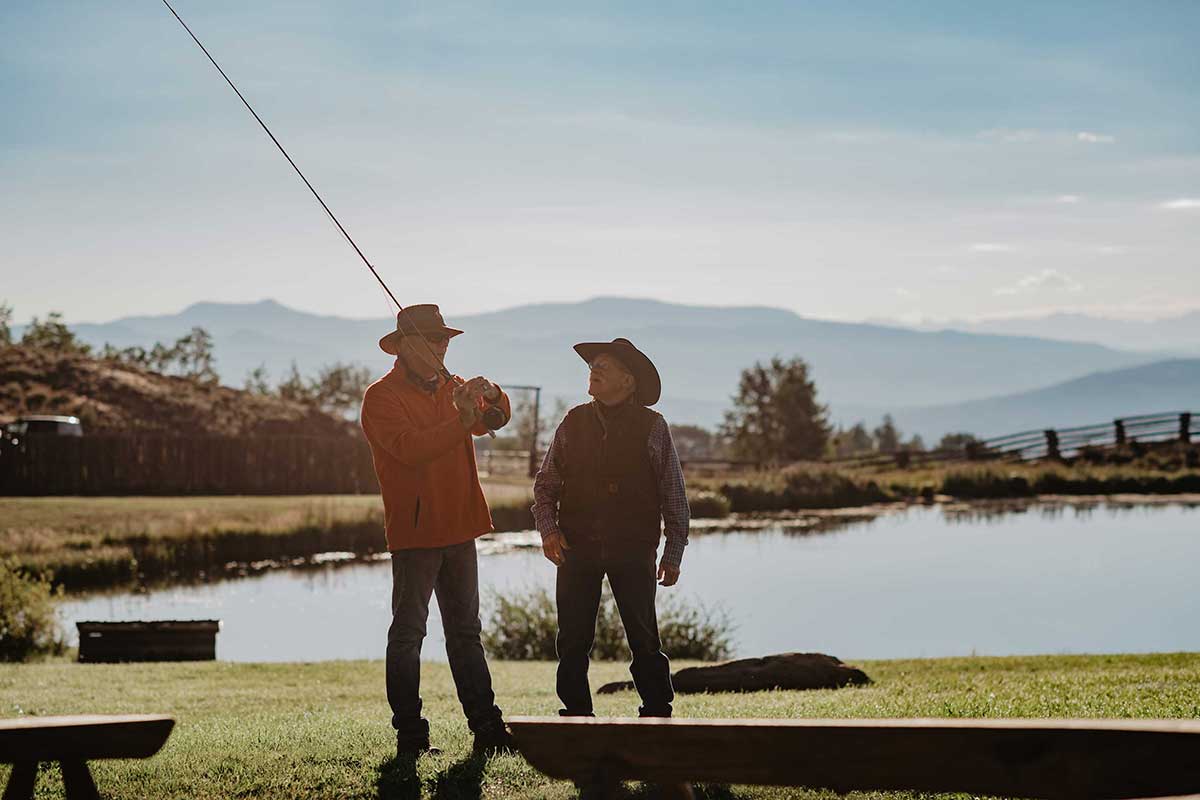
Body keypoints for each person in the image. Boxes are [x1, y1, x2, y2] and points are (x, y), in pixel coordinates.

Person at [360, 304, 514, 757]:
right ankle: (411, 737)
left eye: (445, 339)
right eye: (433, 339)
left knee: (466, 633)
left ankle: (488, 731)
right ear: (405, 346)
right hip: (415, 534)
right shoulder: (381, 397)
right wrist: (461, 419)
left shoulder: (453, 386)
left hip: (461, 527)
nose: (443, 346)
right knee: (409, 634)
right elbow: (411, 449)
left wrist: (491, 393)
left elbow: (495, 421)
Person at [532, 337, 690, 718]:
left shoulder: (654, 426)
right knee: (572, 641)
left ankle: (657, 714)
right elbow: (545, 485)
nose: (594, 371)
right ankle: (576, 717)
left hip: (633, 547)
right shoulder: (573, 421)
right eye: (593, 366)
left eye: (604, 366)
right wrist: (549, 530)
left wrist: (673, 552)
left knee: (644, 639)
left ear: (628, 381)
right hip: (577, 547)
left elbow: (673, 494)